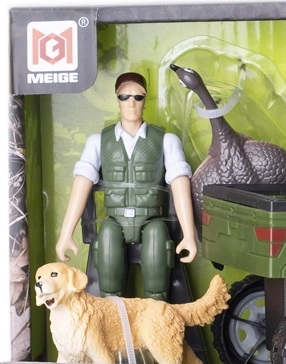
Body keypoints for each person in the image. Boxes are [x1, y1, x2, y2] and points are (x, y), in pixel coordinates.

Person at [55, 72, 197, 301]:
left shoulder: (165, 140)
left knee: (157, 244)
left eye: (138, 97)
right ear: (117, 99)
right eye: (124, 96)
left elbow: (180, 185)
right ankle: (112, 317)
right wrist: (65, 234)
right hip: (115, 220)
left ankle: (157, 317)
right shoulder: (99, 141)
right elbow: (81, 183)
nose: (131, 103)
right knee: (107, 241)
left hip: (151, 219)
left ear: (145, 100)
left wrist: (189, 235)